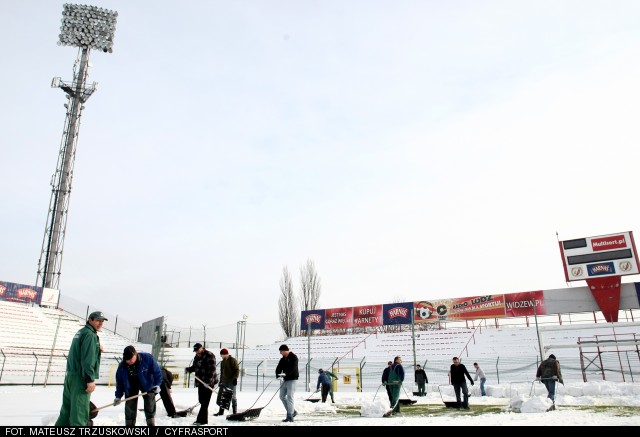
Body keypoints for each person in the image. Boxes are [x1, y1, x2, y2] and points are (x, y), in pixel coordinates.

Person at [55, 311, 107, 426]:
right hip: (81, 378)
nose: (100, 323)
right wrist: (90, 380)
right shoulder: (90, 335)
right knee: (79, 415)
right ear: (90, 320)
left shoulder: (81, 332)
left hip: (71, 377)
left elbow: (80, 351)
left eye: (102, 321)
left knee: (66, 412)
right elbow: (87, 360)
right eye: (98, 320)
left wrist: (97, 347)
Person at [113, 346, 162, 427]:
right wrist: (118, 396)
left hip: (147, 383)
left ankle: (151, 423)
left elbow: (157, 372)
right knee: (130, 405)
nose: (128, 361)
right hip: (131, 385)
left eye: (130, 359)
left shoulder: (147, 358)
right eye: (126, 359)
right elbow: (120, 382)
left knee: (150, 403)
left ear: (135, 354)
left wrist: (157, 384)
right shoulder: (122, 366)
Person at [185, 343, 218, 426]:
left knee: (205, 402)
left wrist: (208, 381)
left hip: (208, 383)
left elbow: (212, 369)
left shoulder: (209, 355)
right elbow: (194, 367)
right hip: (200, 382)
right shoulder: (197, 356)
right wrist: (189, 369)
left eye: (198, 350)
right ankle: (203, 420)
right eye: (195, 351)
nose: (197, 352)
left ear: (202, 348)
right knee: (201, 400)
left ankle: (201, 420)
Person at [275, 344, 299, 422]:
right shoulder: (283, 359)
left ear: (285, 351)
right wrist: (278, 375)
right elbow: (278, 367)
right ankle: (293, 412)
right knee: (282, 396)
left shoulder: (293, 358)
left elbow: (293, 368)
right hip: (285, 380)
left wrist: (286, 373)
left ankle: (290, 416)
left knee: (290, 397)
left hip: (292, 379)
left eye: (281, 351)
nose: (280, 353)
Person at [214, 348, 240, 416]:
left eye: (221, 355)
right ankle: (221, 412)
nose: (221, 356)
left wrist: (235, 378)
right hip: (224, 381)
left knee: (233, 396)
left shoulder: (232, 360)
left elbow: (236, 370)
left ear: (225, 354)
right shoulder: (222, 362)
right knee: (222, 396)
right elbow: (222, 372)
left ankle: (235, 412)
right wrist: (221, 381)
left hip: (231, 381)